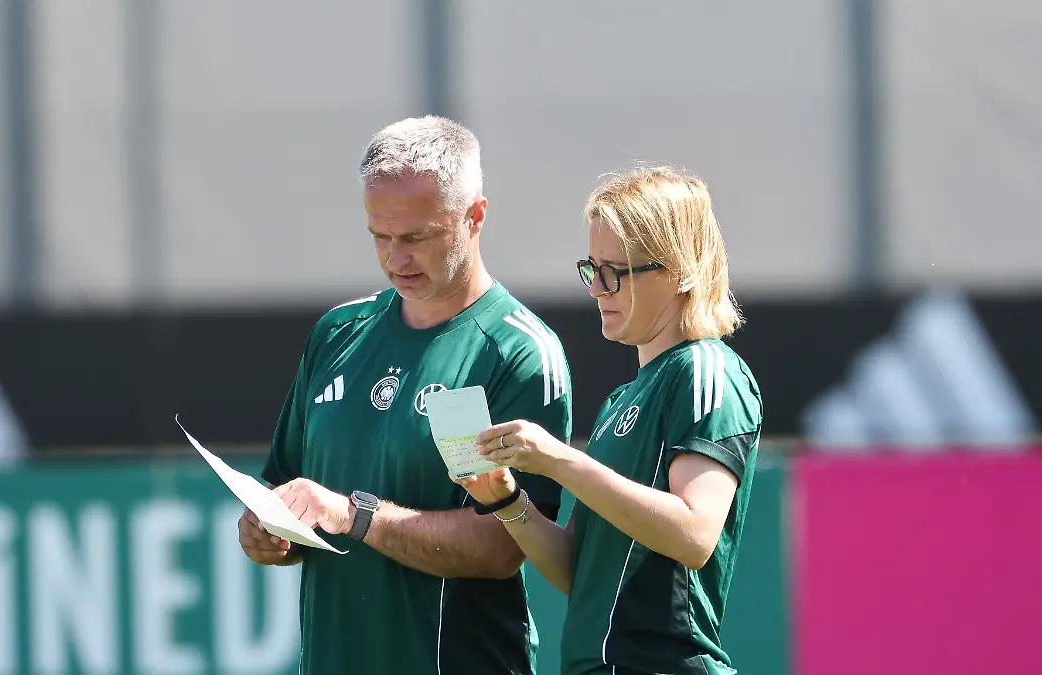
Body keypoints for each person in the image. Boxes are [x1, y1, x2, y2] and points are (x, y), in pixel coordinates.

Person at [237, 115, 574, 675]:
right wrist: (267, 531)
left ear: (475, 217)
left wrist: (355, 515)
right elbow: (285, 485)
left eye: (416, 238)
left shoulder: (517, 353)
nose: (395, 259)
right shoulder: (337, 333)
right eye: (380, 237)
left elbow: (502, 546)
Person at [457, 166, 763, 675]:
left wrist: (559, 460)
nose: (597, 288)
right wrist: (506, 499)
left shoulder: (707, 368)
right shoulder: (622, 399)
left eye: (616, 271)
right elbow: (580, 571)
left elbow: (694, 534)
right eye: (591, 268)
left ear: (680, 271)